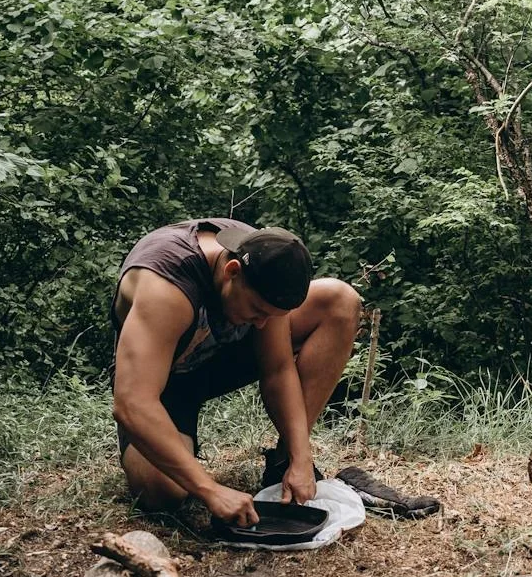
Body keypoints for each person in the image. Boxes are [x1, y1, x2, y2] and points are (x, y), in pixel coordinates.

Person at [111, 218, 359, 526]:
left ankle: (283, 465)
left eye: (272, 316)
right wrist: (210, 490)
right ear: (232, 272)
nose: (262, 325)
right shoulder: (167, 287)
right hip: (166, 379)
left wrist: (300, 456)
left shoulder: (266, 264)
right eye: (258, 310)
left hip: (218, 357)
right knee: (162, 490)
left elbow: (278, 369)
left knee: (340, 300)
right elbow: (132, 403)